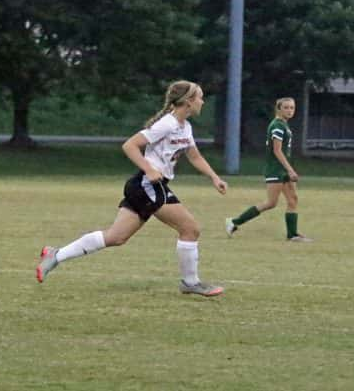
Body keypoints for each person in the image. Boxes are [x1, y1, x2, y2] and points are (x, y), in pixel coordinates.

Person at [36, 80, 228, 297]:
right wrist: (149, 169)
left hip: (146, 186)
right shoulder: (167, 124)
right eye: (200, 97)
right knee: (190, 229)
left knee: (116, 237)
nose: (203, 102)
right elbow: (130, 145)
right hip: (149, 185)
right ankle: (190, 282)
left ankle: (56, 254)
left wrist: (214, 177)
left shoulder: (185, 127)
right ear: (188, 101)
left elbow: (194, 155)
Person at [225, 97, 312, 242]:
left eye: (292, 108)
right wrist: (290, 170)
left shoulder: (283, 125)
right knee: (271, 203)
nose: (290, 110)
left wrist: (288, 170)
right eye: (286, 108)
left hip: (282, 169)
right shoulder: (277, 126)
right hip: (275, 170)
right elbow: (277, 151)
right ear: (278, 109)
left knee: (293, 200)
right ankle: (234, 222)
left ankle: (292, 235)